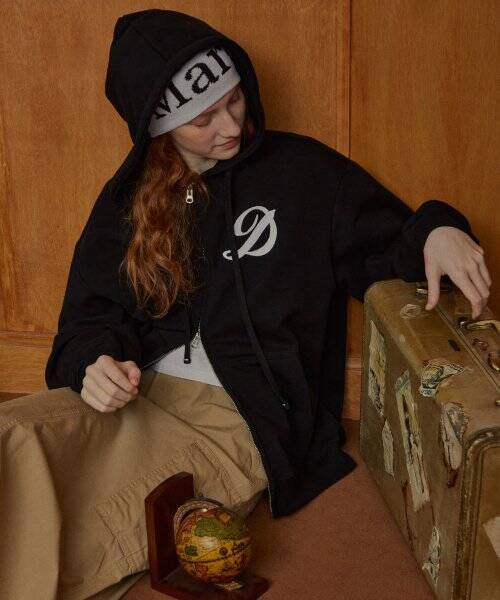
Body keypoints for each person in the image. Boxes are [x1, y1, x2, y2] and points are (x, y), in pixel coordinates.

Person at [2, 8, 492, 600]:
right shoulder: (127, 199)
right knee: (12, 435)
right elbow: (88, 318)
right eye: (202, 118)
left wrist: (439, 228)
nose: (231, 125)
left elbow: (390, 243)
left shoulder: (304, 174)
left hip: (238, 414)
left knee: (94, 520)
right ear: (159, 127)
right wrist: (93, 363)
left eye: (233, 100)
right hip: (139, 395)